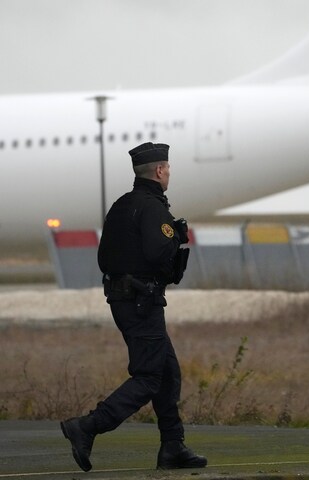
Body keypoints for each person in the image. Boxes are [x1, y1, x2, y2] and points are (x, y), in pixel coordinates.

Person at [60, 142, 207, 472]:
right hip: (143, 302)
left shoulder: (122, 205)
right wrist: (176, 238)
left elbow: (103, 257)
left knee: (167, 371)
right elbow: (158, 254)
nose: (169, 173)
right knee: (149, 377)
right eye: (167, 169)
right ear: (159, 171)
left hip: (122, 300)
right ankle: (87, 426)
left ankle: (173, 446)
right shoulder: (154, 208)